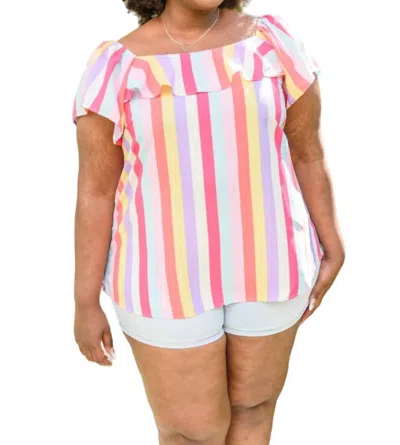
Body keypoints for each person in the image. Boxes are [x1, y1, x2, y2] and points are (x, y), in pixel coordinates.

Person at [72, 1, 345, 443]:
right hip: (160, 278)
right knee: (192, 433)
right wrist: (85, 300)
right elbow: (96, 191)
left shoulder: (273, 43)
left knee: (254, 408)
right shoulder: (117, 68)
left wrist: (333, 243)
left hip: (271, 263)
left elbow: (307, 151)